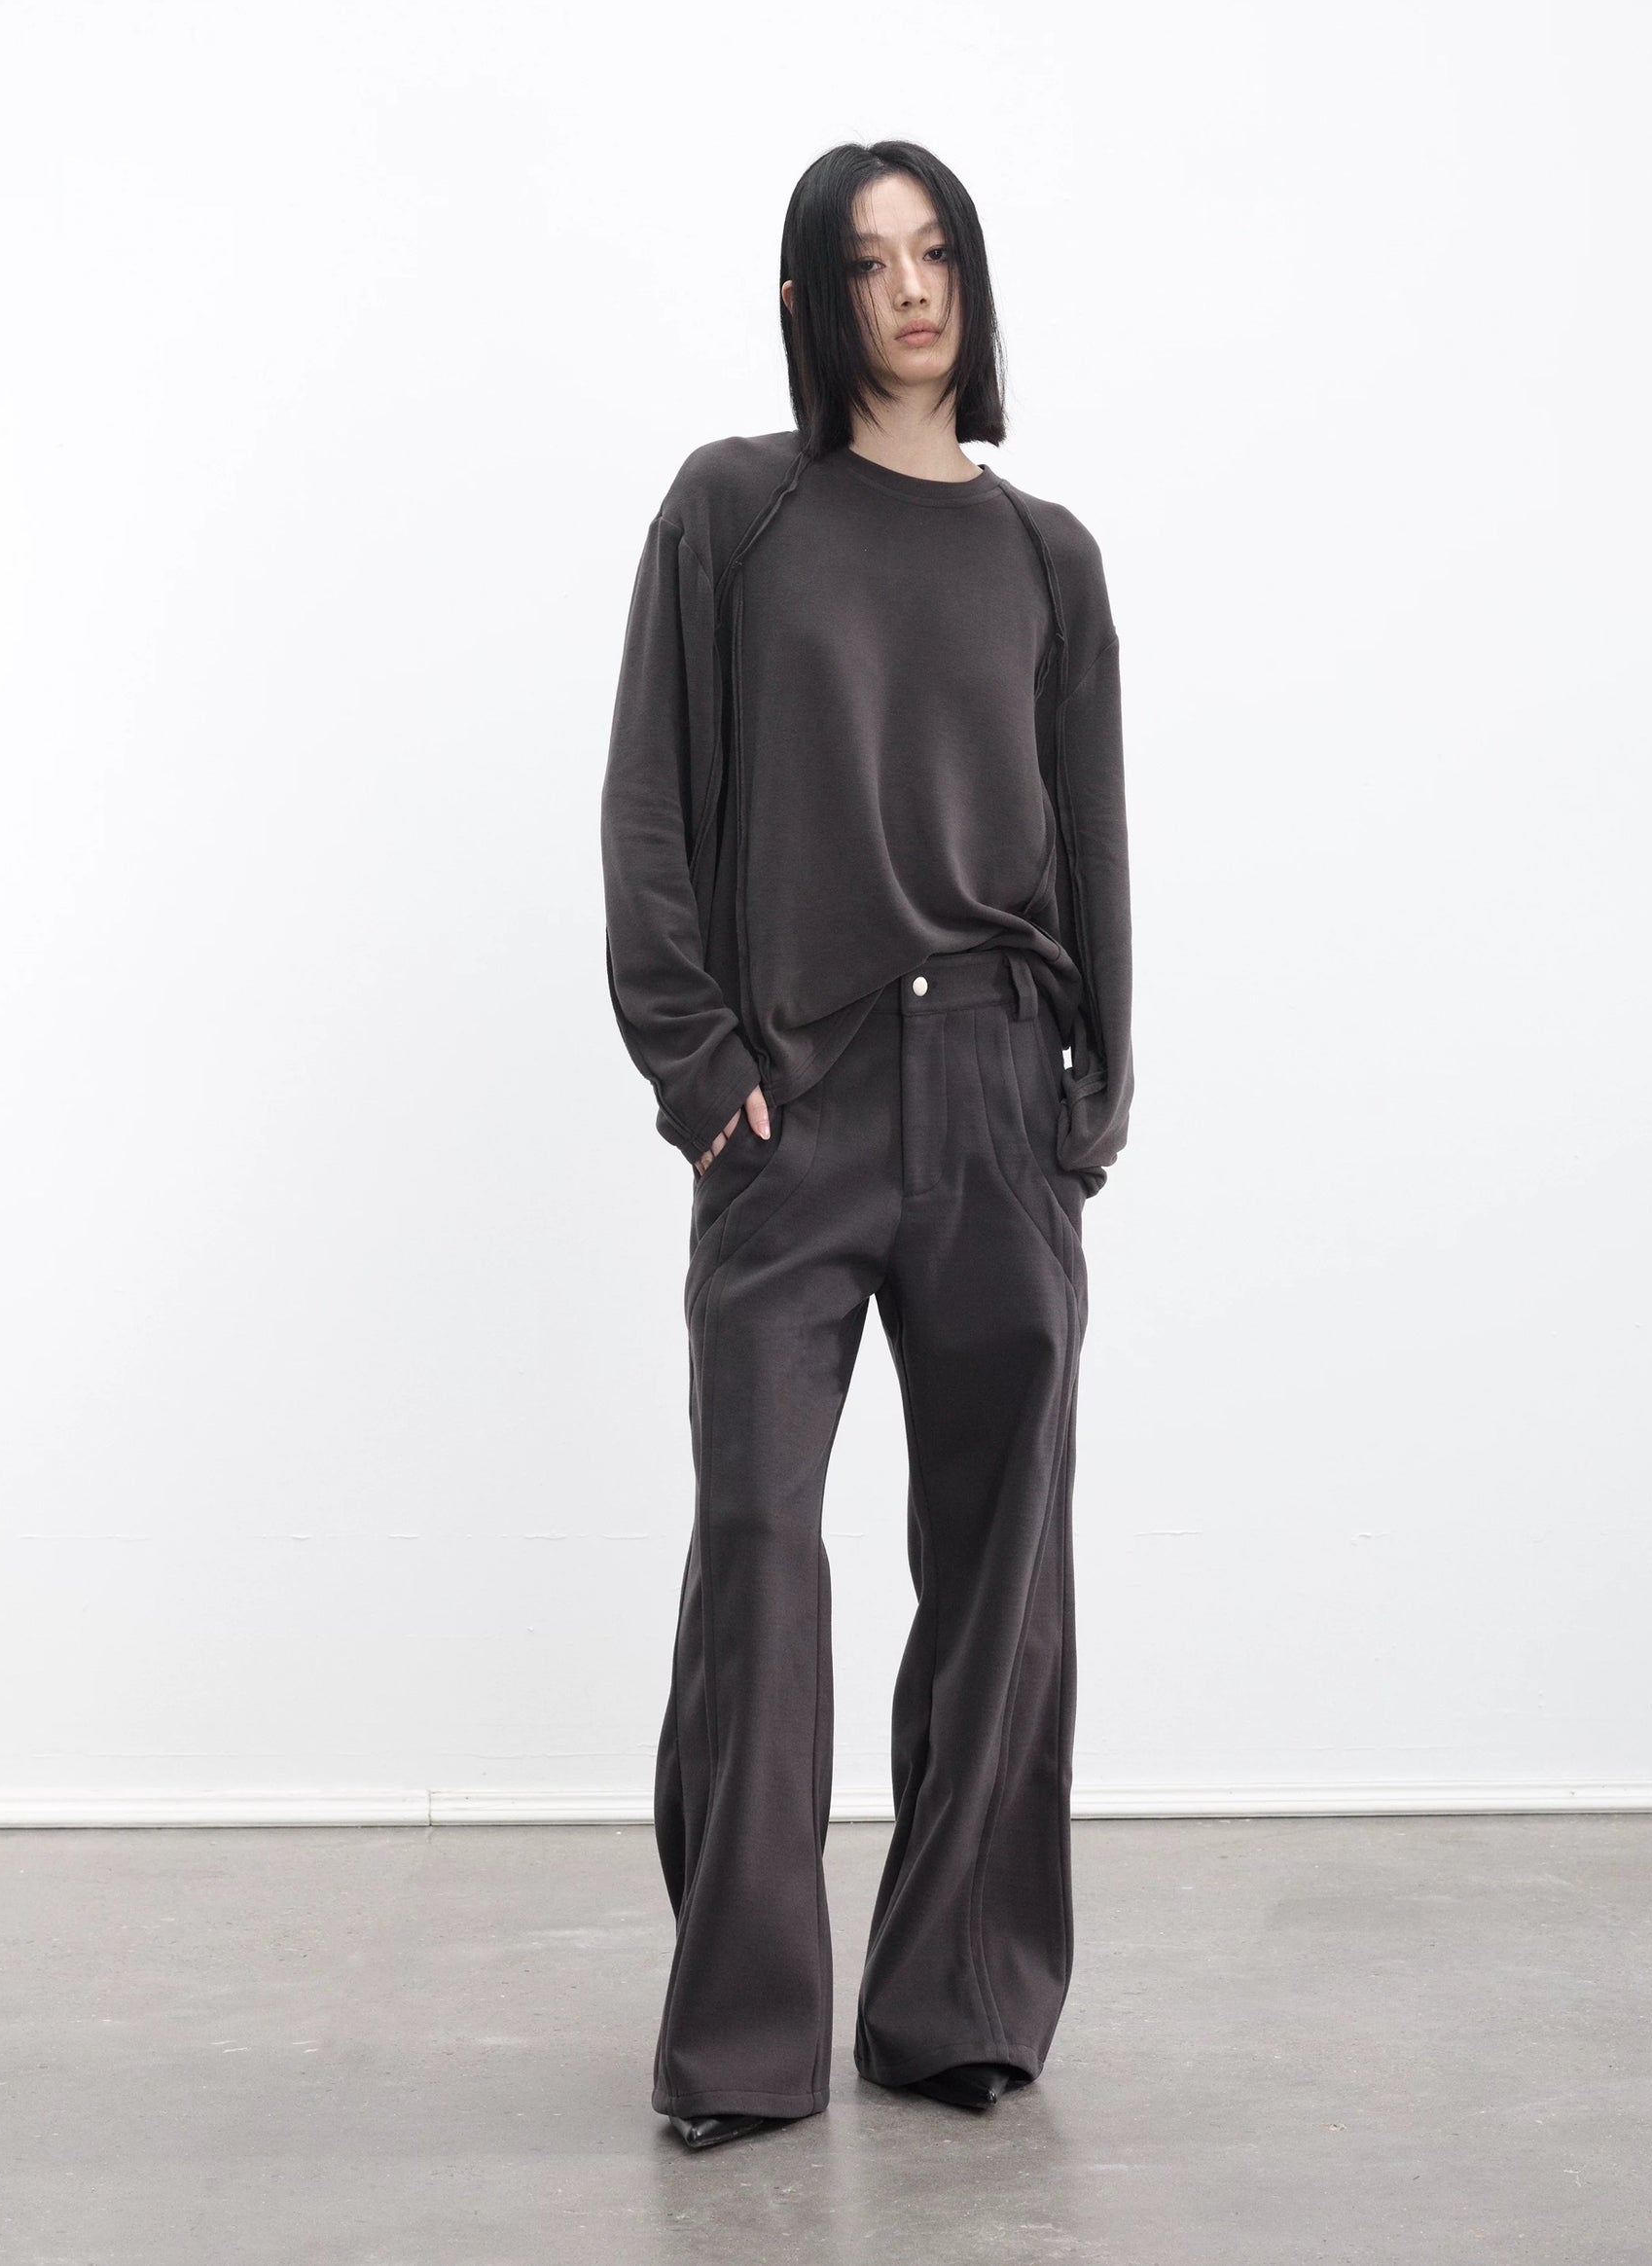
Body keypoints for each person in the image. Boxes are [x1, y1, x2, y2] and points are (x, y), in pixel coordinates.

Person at [598, 138, 1132, 2151]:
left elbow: (1089, 841)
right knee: (758, 1551)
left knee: (1001, 1572)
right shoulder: (735, 510)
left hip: (996, 1091)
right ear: (809, 301)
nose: (909, 289)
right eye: (866, 261)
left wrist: (1088, 1098)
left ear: (968, 284)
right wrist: (698, 1070)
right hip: (793, 1106)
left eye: (935, 254)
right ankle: (742, 2037)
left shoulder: (1047, 555)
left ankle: (955, 2007)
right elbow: (649, 808)